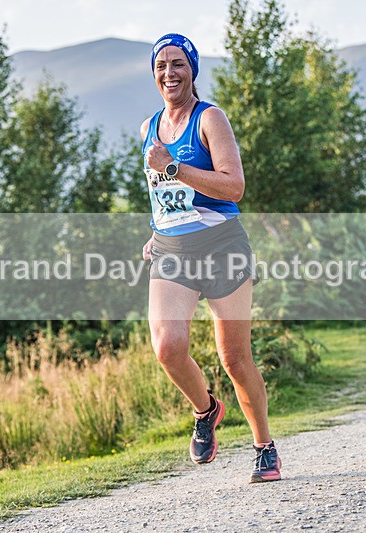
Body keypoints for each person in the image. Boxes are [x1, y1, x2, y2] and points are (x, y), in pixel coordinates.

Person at [140, 33, 281, 483]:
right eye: (161, 65)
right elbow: (165, 195)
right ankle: (206, 409)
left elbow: (233, 188)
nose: (169, 73)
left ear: (193, 69)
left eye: (178, 64)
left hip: (222, 247)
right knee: (167, 347)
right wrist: (156, 230)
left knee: (235, 359)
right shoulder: (148, 129)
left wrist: (175, 166)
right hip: (172, 250)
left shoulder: (210, 119)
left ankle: (264, 446)